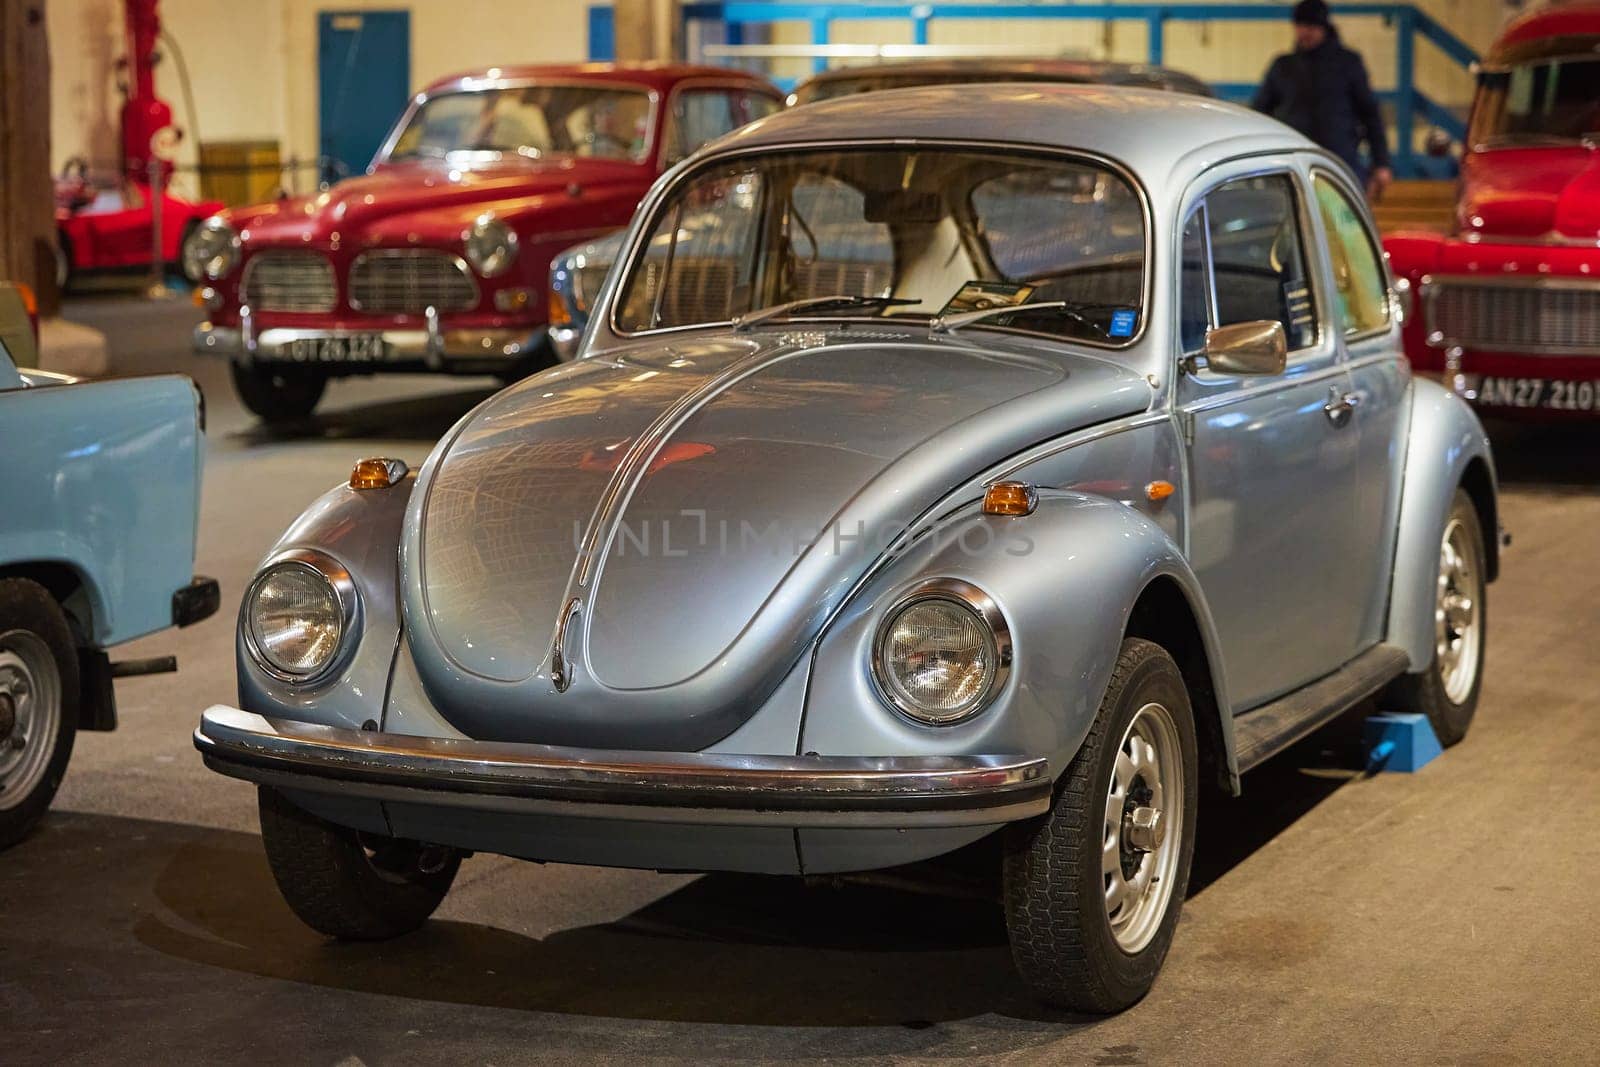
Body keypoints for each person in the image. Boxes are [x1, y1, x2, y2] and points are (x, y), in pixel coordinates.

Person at [1252, 0, 1394, 200]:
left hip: (1339, 166)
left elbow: (1370, 114)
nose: (1305, 32)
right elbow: (1260, 114)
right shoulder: (1283, 66)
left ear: (1323, 28)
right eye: (1300, 26)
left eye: (1310, 26)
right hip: (1294, 166)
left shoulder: (1347, 63)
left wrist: (1381, 163)